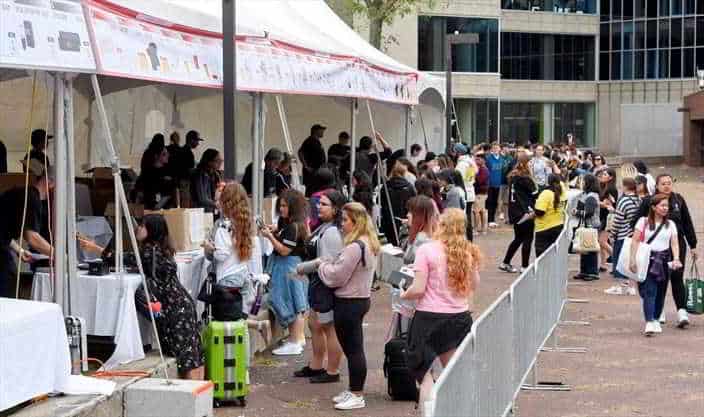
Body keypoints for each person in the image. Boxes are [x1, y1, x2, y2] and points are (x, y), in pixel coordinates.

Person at [400, 208, 481, 412]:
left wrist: (403, 293)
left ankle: (428, 412)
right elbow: (474, 284)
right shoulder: (468, 251)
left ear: (441, 225)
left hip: (428, 318)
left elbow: (418, 289)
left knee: (425, 375)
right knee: (453, 373)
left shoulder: (426, 250)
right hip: (458, 317)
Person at [317, 202, 380, 410]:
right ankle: (354, 389)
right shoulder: (369, 242)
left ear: (356, 222)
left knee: (353, 350)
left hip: (349, 301)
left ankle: (357, 393)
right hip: (360, 299)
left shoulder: (355, 247)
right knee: (354, 348)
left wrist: (322, 266)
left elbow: (336, 276)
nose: (342, 224)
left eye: (345, 220)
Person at [136, 214, 204, 379]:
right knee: (193, 354)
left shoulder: (148, 252)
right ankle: (201, 393)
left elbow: (120, 259)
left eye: (142, 225)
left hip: (173, 309)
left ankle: (192, 392)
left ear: (151, 230)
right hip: (183, 304)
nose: (138, 228)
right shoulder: (164, 249)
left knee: (186, 358)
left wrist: (99, 250)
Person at [294, 190, 346, 384]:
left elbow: (326, 261)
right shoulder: (325, 227)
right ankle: (316, 365)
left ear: (336, 209)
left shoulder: (332, 231)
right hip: (318, 283)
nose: (318, 206)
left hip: (324, 284)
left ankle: (332, 371)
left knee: (329, 327)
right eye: (319, 203)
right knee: (315, 324)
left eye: (324, 204)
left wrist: (302, 268)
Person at [634, 174, 697, 328]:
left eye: (669, 183)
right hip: (654, 247)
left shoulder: (678, 200)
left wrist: (693, 245)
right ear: (656, 185)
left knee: (677, 276)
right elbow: (636, 222)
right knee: (656, 279)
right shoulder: (649, 201)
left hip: (676, 243)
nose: (667, 186)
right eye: (663, 183)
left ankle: (681, 311)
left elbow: (687, 222)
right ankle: (658, 310)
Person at [214, 183, 271, 343]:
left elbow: (221, 255)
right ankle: (258, 326)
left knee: (231, 322)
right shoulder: (246, 224)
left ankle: (240, 359)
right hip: (244, 276)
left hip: (228, 279)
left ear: (226, 202)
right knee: (240, 316)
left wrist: (212, 248)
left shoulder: (223, 228)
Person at [261, 189, 310, 355]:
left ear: (293, 207)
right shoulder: (291, 224)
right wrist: (275, 231)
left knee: (291, 303)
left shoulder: (293, 227)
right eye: (280, 205)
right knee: (295, 303)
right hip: (292, 266)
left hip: (288, 266)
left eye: (284, 206)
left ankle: (295, 342)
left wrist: (270, 237)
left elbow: (283, 250)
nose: (281, 209)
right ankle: (297, 338)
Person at [629, 194, 682, 336]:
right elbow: (635, 240)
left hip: (664, 260)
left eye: (667, 206)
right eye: (662, 205)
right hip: (647, 259)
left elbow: (674, 243)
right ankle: (649, 321)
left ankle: (656, 318)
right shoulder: (643, 222)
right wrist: (632, 259)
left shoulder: (671, 224)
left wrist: (676, 258)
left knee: (661, 292)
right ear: (653, 207)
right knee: (649, 291)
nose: (665, 208)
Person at [0, 162, 54, 297]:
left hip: (3, 245)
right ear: (50, 182)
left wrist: (19, 250)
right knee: (8, 283)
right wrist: (57, 254)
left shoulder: (21, 193)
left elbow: (3, 231)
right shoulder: (32, 198)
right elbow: (32, 237)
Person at [499, 153, 537, 273]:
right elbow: (536, 195)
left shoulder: (513, 176)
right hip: (526, 212)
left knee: (518, 238)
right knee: (527, 239)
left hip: (515, 212)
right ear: (527, 163)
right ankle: (524, 266)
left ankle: (505, 262)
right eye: (530, 162)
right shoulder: (526, 179)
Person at [606, 177, 640, 295]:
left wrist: (612, 233)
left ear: (625, 186)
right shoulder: (638, 200)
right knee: (630, 260)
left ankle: (618, 286)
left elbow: (618, 219)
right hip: (633, 234)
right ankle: (631, 287)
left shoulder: (624, 200)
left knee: (619, 261)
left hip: (622, 234)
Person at [380, 162, 416, 246]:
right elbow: (414, 203)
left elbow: (381, 202)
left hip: (388, 220)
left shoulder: (386, 186)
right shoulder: (409, 187)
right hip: (404, 219)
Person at [573, 174, 601, 281]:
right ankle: (584, 271)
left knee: (590, 249)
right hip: (588, 225)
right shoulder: (588, 195)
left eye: (584, 181)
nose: (582, 183)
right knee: (585, 249)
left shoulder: (591, 196)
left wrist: (577, 212)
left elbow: (589, 213)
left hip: (591, 225)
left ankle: (592, 272)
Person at [534, 174, 567, 257]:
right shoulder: (562, 191)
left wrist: (533, 213)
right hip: (558, 225)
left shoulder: (546, 194)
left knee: (542, 257)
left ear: (548, 182)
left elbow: (540, 212)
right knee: (555, 255)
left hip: (544, 228)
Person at [135, 143, 176, 210]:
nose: (167, 156)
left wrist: (157, 207)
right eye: (164, 154)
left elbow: (169, 193)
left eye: (167, 153)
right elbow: (139, 191)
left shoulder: (169, 171)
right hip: (148, 208)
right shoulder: (147, 172)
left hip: (164, 209)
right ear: (156, 156)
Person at [403, 196, 438, 264]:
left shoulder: (421, 239)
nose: (407, 215)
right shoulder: (430, 236)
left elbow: (408, 259)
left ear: (419, 216)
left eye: (410, 212)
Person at [597, 168, 618, 271]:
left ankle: (618, 261)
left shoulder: (611, 189)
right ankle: (603, 264)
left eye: (605, 174)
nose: (602, 176)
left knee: (602, 241)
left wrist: (596, 202)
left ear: (611, 177)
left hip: (608, 218)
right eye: (603, 174)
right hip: (602, 216)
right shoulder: (603, 187)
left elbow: (608, 204)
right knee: (601, 242)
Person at [454, 144, 476, 240]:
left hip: (464, 192)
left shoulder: (461, 165)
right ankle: (469, 239)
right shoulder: (470, 162)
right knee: (468, 217)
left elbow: (458, 179)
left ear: (458, 153)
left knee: (465, 218)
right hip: (470, 191)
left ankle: (467, 239)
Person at [190, 149, 222, 213]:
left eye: (221, 160)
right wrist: (218, 205)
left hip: (211, 210)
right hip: (201, 211)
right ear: (209, 162)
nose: (220, 163)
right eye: (217, 160)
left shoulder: (216, 174)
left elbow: (218, 193)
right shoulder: (200, 174)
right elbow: (202, 199)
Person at [299, 124, 327, 195]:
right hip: (311, 172)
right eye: (321, 130)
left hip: (317, 171)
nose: (323, 132)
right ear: (315, 131)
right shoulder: (309, 140)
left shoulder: (317, 141)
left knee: (317, 191)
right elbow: (300, 152)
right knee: (311, 191)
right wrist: (306, 166)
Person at [485, 143, 504, 228]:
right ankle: (490, 220)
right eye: (494, 148)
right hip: (490, 184)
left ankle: (492, 220)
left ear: (500, 149)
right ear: (492, 149)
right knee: (490, 202)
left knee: (495, 202)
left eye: (497, 148)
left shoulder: (501, 159)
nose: (496, 149)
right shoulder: (488, 159)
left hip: (498, 184)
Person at [473, 154, 489, 235]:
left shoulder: (484, 169)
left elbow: (480, 180)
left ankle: (476, 229)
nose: (476, 161)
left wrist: (474, 175)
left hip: (481, 193)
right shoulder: (480, 168)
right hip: (480, 192)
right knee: (481, 211)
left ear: (483, 160)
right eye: (476, 159)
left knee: (477, 211)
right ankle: (483, 228)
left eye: (478, 159)